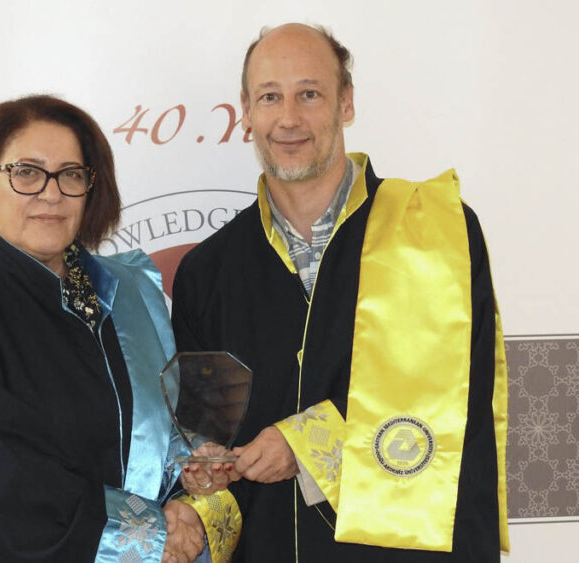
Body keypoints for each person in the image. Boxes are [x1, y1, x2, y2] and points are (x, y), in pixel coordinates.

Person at [171, 24, 509, 561]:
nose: (288, 118)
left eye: (309, 94)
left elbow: (452, 401)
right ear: (247, 112)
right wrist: (201, 493)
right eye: (270, 97)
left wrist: (307, 445)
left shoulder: (433, 234)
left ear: (346, 103)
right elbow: (208, 442)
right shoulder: (206, 273)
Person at [0, 94, 234, 562]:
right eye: (26, 173)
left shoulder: (126, 293)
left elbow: (147, 435)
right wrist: (147, 533)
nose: (51, 194)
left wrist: (190, 471)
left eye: (70, 174)